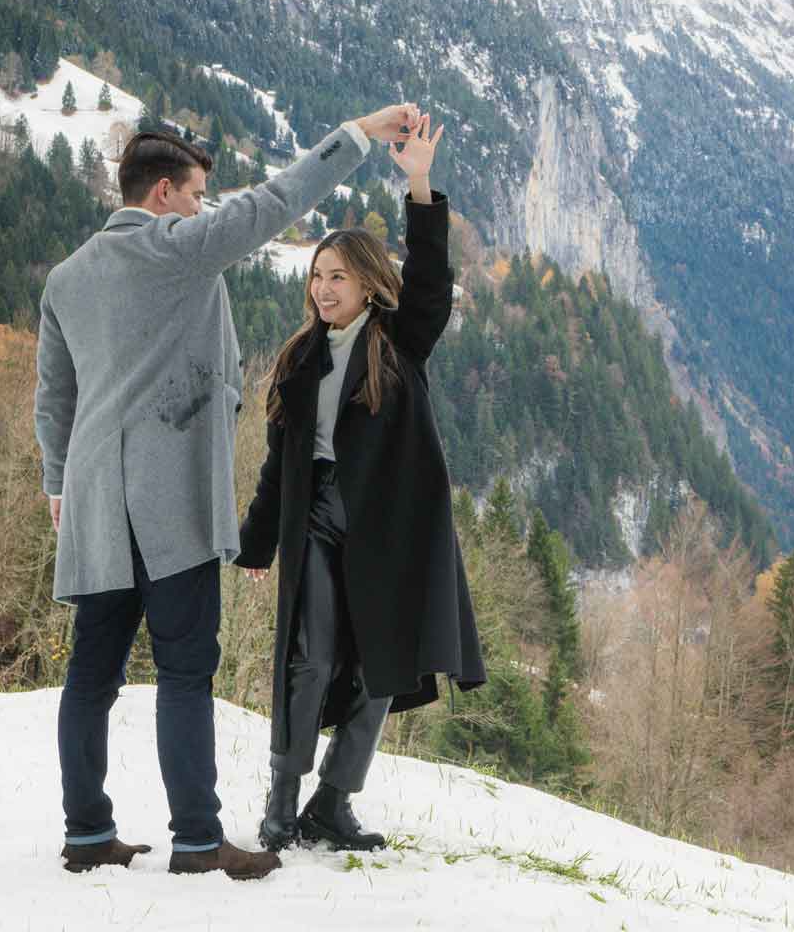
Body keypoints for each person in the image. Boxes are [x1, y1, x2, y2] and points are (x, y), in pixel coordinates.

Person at [35, 103, 419, 880]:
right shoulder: (175, 249)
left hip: (93, 507)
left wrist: (55, 484)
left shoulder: (66, 278)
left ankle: (86, 835)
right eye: (199, 196)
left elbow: (54, 400)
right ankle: (199, 842)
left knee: (90, 675)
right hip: (168, 502)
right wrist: (356, 134)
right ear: (168, 194)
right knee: (183, 671)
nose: (205, 209)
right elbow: (275, 201)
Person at [237, 113, 486, 852]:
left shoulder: (399, 343)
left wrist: (418, 180)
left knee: (383, 664)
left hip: (388, 528)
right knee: (309, 657)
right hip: (316, 518)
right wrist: (255, 545)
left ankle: (333, 803)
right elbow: (278, 463)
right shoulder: (298, 360)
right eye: (316, 276)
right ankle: (282, 803)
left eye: (337, 276)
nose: (322, 288)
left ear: (369, 282)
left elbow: (433, 284)